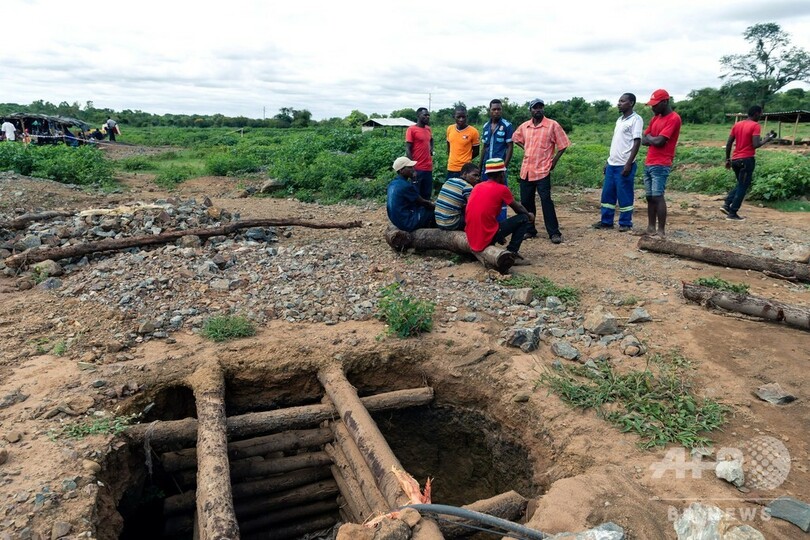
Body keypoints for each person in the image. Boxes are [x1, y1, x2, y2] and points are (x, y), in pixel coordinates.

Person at [512, 98, 570, 244]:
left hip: (543, 170)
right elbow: (516, 138)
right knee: (526, 202)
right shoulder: (525, 126)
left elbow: (563, 144)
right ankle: (529, 229)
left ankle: (554, 232)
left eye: (540, 107)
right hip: (526, 170)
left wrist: (553, 162)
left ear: (543, 109)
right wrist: (526, 148)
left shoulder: (552, 125)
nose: (538, 110)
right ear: (530, 110)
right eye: (535, 108)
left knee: (546, 201)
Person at [592, 93, 644, 232]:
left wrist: (629, 163)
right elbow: (617, 143)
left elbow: (637, 141)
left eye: (622, 101)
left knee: (624, 194)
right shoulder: (619, 120)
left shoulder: (636, 119)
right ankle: (606, 221)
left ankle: (625, 223)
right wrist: (608, 162)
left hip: (624, 164)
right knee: (607, 194)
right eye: (619, 101)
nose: (619, 103)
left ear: (631, 103)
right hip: (612, 164)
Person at [466, 158, 534, 259]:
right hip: (485, 236)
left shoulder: (477, 187)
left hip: (471, 236)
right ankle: (512, 252)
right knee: (523, 218)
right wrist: (529, 215)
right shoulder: (502, 189)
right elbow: (518, 208)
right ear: (502, 174)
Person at [637, 89, 681, 237]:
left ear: (665, 102)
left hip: (662, 163)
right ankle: (651, 228)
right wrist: (652, 138)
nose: (653, 107)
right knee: (650, 197)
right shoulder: (655, 118)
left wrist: (650, 137)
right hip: (649, 162)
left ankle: (661, 230)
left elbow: (660, 141)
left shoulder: (673, 118)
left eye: (655, 104)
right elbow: (644, 139)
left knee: (658, 196)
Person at [722, 105, 776, 221]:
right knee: (743, 186)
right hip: (746, 160)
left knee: (741, 184)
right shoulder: (755, 125)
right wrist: (767, 139)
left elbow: (729, 143)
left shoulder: (737, 125)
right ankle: (732, 213)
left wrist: (727, 159)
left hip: (735, 160)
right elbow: (756, 144)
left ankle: (727, 204)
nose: (761, 116)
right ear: (756, 113)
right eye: (760, 113)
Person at [480, 99, 515, 222]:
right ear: (489, 110)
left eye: (499, 109)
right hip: (487, 168)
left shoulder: (507, 126)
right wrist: (480, 167)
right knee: (486, 194)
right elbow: (484, 147)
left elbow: (510, 147)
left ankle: (501, 223)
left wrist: (504, 167)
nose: (496, 111)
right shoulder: (485, 126)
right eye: (494, 109)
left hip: (499, 168)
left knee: (501, 194)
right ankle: (488, 221)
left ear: (501, 110)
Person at [386, 156, 436, 232]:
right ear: (401, 170)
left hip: (396, 220)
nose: (413, 169)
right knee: (431, 212)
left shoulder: (392, 184)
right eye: (409, 167)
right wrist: (436, 207)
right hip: (406, 222)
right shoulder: (405, 186)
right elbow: (423, 202)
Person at [435, 162, 480, 231]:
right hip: (451, 223)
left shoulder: (450, 180)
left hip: (438, 222)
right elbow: (473, 208)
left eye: (478, 176)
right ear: (465, 174)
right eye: (475, 175)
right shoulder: (467, 187)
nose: (477, 178)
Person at [405, 107, 434, 200]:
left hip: (428, 167)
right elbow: (408, 148)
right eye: (425, 115)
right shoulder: (411, 129)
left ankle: (425, 209)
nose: (427, 117)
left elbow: (431, 139)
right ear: (418, 116)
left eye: (428, 115)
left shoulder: (428, 129)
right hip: (417, 168)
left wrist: (431, 149)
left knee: (427, 194)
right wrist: (412, 168)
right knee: (416, 194)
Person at [445, 106, 480, 179]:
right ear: (454, 117)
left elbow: (476, 151)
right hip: (451, 167)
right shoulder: (450, 129)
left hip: (465, 170)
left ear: (467, 116)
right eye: (458, 117)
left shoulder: (473, 132)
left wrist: (466, 159)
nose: (461, 119)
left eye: (463, 117)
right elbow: (449, 146)